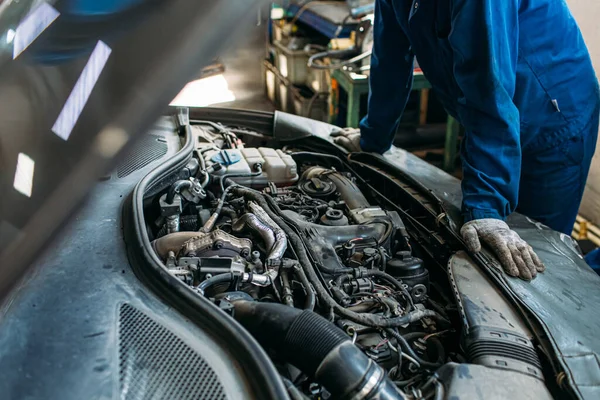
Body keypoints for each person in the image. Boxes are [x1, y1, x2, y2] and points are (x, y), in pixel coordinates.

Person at [333, 0, 600, 280]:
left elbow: (487, 85)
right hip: (496, 114)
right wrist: (372, 138)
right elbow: (389, 57)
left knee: (538, 265)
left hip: (553, 121)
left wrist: (486, 208)